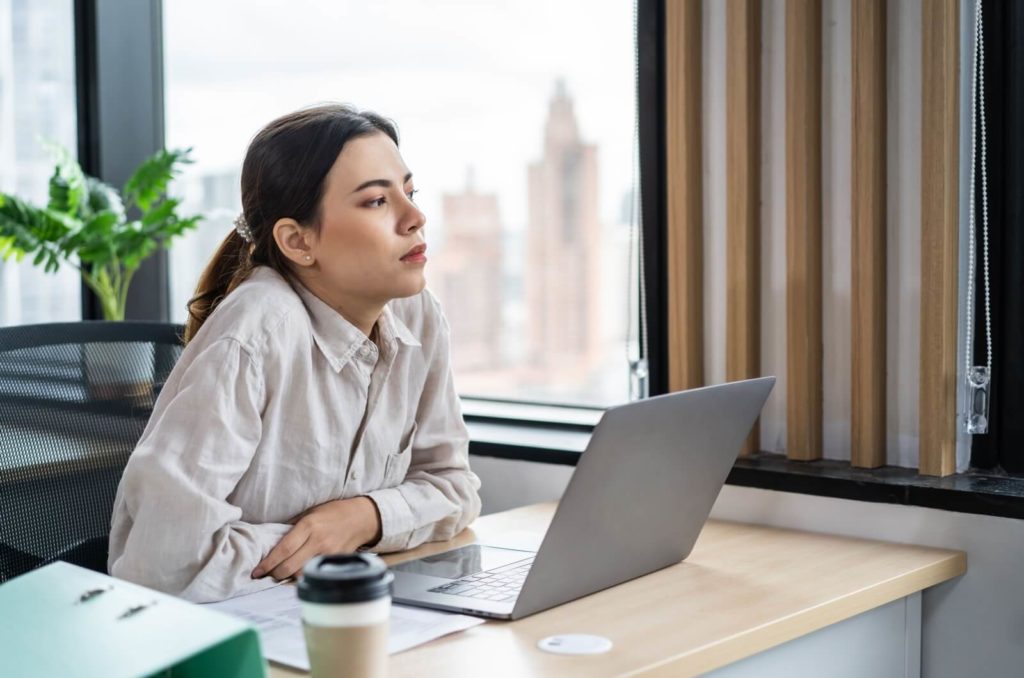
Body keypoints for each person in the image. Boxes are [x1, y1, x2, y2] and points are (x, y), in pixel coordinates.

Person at [108, 104, 482, 603]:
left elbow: (454, 488)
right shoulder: (252, 337)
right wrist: (321, 546)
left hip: (336, 613)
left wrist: (363, 519)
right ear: (297, 241)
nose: (416, 218)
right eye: (376, 201)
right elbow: (162, 565)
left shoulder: (418, 315)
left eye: (410, 194)